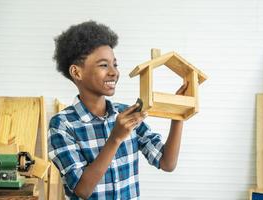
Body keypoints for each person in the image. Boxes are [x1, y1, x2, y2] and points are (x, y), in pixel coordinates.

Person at [48, 20, 188, 200]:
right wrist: (115, 138)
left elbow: (167, 163)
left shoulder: (127, 115)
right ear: (77, 72)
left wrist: (178, 114)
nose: (113, 72)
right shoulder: (62, 125)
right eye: (103, 65)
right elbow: (82, 190)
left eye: (115, 64)